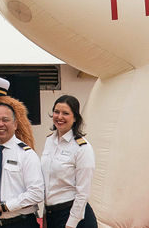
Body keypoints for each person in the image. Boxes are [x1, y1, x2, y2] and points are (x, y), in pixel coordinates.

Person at [0, 103, 44, 228]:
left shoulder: (26, 154)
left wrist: (5, 206)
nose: (0, 124)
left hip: (20, 223)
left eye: (5, 120)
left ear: (15, 125)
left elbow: (37, 193)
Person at [41, 96, 96, 228]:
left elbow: (83, 192)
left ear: (75, 118)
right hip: (52, 214)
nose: (59, 117)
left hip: (74, 217)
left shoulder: (82, 148)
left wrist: (71, 224)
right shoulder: (49, 141)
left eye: (65, 113)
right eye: (56, 112)